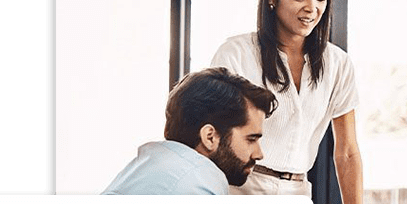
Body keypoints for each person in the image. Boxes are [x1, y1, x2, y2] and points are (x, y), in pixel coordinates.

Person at [210, 0, 398, 204]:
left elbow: (347, 152)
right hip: (242, 191)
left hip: (297, 196)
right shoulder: (236, 53)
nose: (312, 8)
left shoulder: (337, 64)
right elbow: (211, 138)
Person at [102, 67, 276, 195]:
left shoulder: (141, 170)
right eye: (251, 139)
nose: (259, 154)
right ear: (210, 137)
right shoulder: (198, 184)